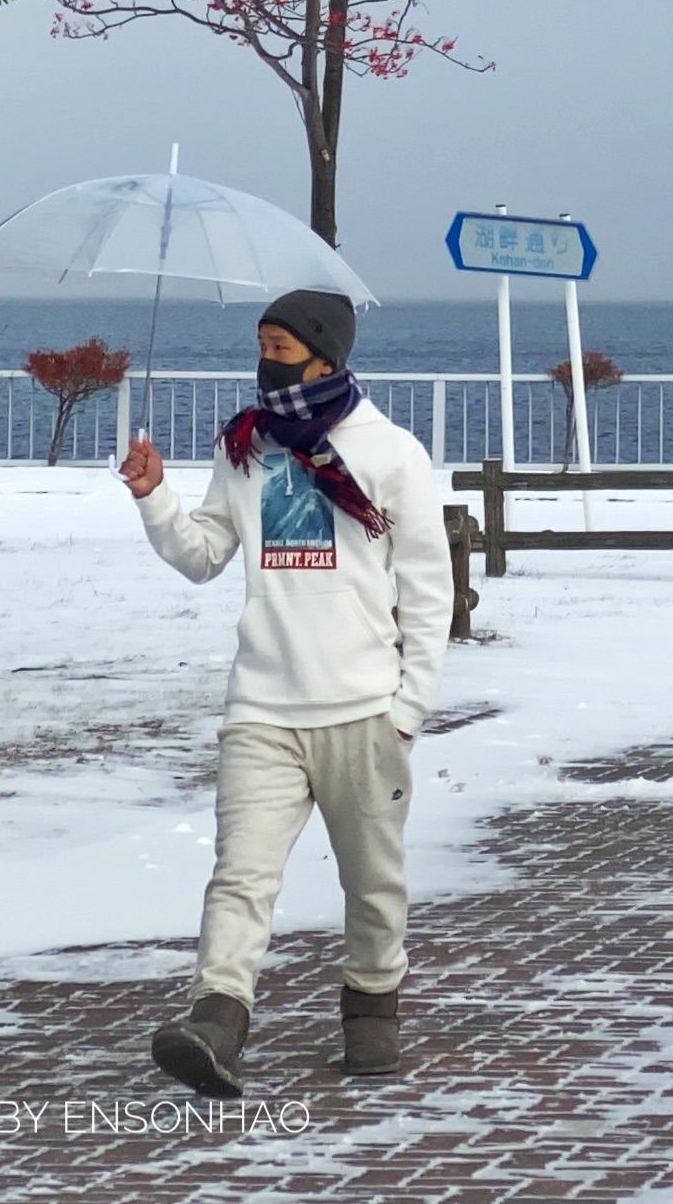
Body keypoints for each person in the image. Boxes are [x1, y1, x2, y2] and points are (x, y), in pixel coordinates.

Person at [118, 289, 453, 1096]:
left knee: (373, 884)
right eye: (261, 343)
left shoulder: (391, 453)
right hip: (261, 711)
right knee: (240, 875)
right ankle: (217, 1018)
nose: (267, 359)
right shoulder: (245, 449)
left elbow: (429, 589)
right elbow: (204, 556)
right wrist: (156, 497)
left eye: (283, 345)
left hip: (363, 712)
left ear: (327, 355)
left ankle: (372, 1011)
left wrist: (407, 709)